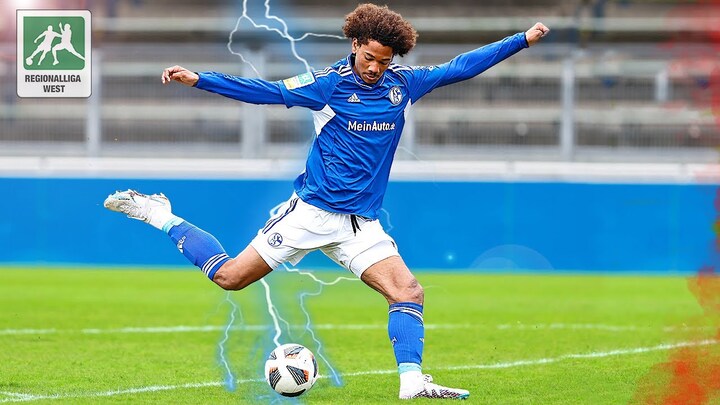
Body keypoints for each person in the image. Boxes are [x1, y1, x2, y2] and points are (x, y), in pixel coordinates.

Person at [104, 3, 549, 400]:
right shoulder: (326, 85)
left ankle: (412, 383)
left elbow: (460, 67)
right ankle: (159, 214)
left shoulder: (404, 85)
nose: (375, 67)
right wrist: (200, 79)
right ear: (355, 44)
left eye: (384, 61)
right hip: (310, 215)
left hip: (360, 226)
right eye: (369, 57)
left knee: (408, 292)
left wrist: (521, 40)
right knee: (230, 277)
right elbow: (266, 91)